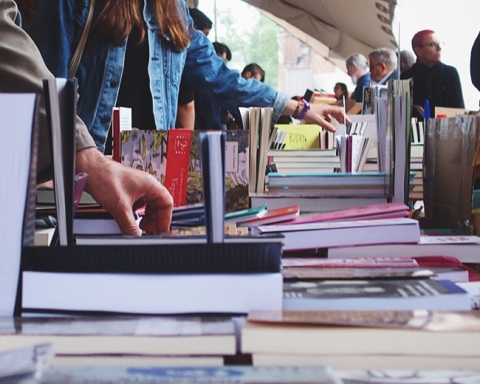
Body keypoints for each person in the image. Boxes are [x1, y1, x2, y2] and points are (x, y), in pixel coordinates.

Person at [27, 0, 346, 153]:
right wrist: (59, 160)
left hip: (152, 165)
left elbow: (221, 77)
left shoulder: (174, 10)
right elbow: (47, 83)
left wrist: (299, 108)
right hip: (90, 167)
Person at [1, 0, 173, 236]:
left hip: (96, 169)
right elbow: (52, 79)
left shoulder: (173, 11)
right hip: (68, 170)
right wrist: (74, 155)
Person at [401, 29, 464, 120]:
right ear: (419, 51)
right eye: (432, 45)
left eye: (440, 44)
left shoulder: (450, 74)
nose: (439, 48)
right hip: (415, 132)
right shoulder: (406, 77)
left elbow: (459, 110)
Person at [176, 7, 213, 130]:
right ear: (194, 28)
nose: (205, 41)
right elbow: (187, 106)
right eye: (204, 34)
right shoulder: (185, 62)